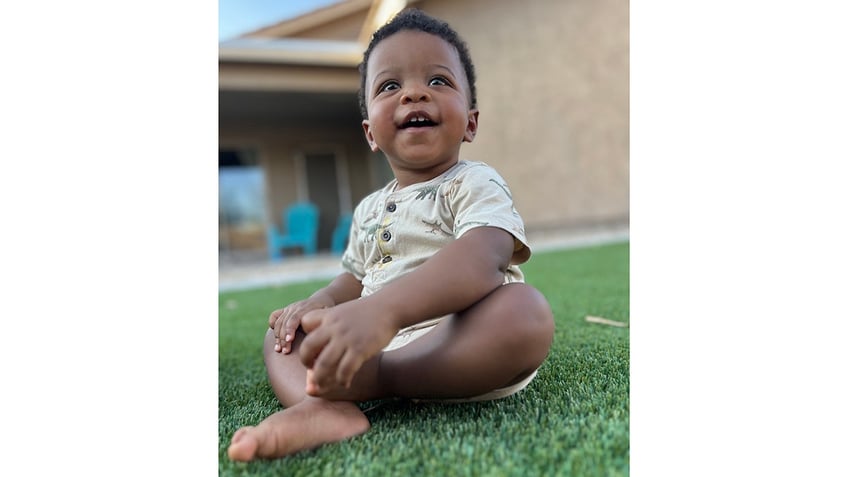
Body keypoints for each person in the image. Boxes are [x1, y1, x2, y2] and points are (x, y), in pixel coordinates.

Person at [227, 9, 555, 461]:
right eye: (390, 86)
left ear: (471, 122)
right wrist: (320, 302)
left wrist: (382, 313)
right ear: (370, 134)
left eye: (438, 81)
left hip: (456, 342)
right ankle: (319, 407)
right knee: (281, 333)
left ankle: (380, 380)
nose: (415, 93)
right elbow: (355, 279)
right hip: (371, 339)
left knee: (525, 312)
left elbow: (485, 256)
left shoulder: (472, 182)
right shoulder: (369, 208)